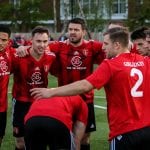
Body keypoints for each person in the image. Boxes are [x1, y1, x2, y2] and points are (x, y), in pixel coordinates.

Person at [30, 27, 150, 150]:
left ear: (117, 45)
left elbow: (85, 85)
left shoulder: (111, 65)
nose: (103, 47)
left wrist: (51, 92)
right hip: (147, 130)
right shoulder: (146, 61)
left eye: (106, 44)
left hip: (124, 131)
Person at [17, 17, 105, 150]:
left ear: (84, 31)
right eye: (70, 29)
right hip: (64, 99)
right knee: (62, 137)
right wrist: (23, 47)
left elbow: (111, 47)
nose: (72, 32)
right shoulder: (59, 46)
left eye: (76, 29)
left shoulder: (93, 46)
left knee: (85, 138)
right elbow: (40, 45)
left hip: (86, 98)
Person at [11, 26, 56, 150]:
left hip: (40, 102)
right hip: (21, 102)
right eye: (38, 41)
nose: (42, 45)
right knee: (20, 142)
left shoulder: (51, 57)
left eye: (45, 41)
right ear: (31, 40)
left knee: (39, 139)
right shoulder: (19, 56)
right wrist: (19, 48)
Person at [0, 25, 14, 147]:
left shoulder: (10, 52)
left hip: (1, 107)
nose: (0, 43)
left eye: (3, 40)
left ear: (9, 41)